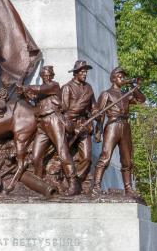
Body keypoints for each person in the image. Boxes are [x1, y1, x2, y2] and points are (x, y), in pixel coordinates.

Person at [23, 65, 81, 194]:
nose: (47, 77)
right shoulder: (40, 92)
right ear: (41, 76)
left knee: (62, 151)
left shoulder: (53, 85)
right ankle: (39, 184)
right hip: (42, 123)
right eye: (44, 75)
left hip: (54, 119)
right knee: (36, 156)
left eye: (49, 75)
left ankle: (73, 182)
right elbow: (32, 98)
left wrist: (25, 87)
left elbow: (40, 89)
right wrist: (23, 93)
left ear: (53, 76)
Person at [91, 67, 146, 197]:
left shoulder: (126, 94)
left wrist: (134, 86)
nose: (122, 79)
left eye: (123, 77)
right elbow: (100, 113)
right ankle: (96, 186)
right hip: (112, 125)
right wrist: (98, 130)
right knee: (105, 157)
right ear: (113, 79)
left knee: (127, 160)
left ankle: (128, 188)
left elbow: (141, 100)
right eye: (120, 77)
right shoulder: (106, 94)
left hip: (125, 126)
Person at [60, 59, 96, 186]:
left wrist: (96, 112)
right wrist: (71, 127)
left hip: (84, 125)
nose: (85, 74)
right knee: (63, 154)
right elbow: (64, 111)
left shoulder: (89, 88)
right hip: (70, 124)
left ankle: (77, 181)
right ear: (75, 73)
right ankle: (66, 179)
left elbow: (93, 106)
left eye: (86, 72)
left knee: (87, 157)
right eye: (82, 72)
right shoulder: (67, 88)